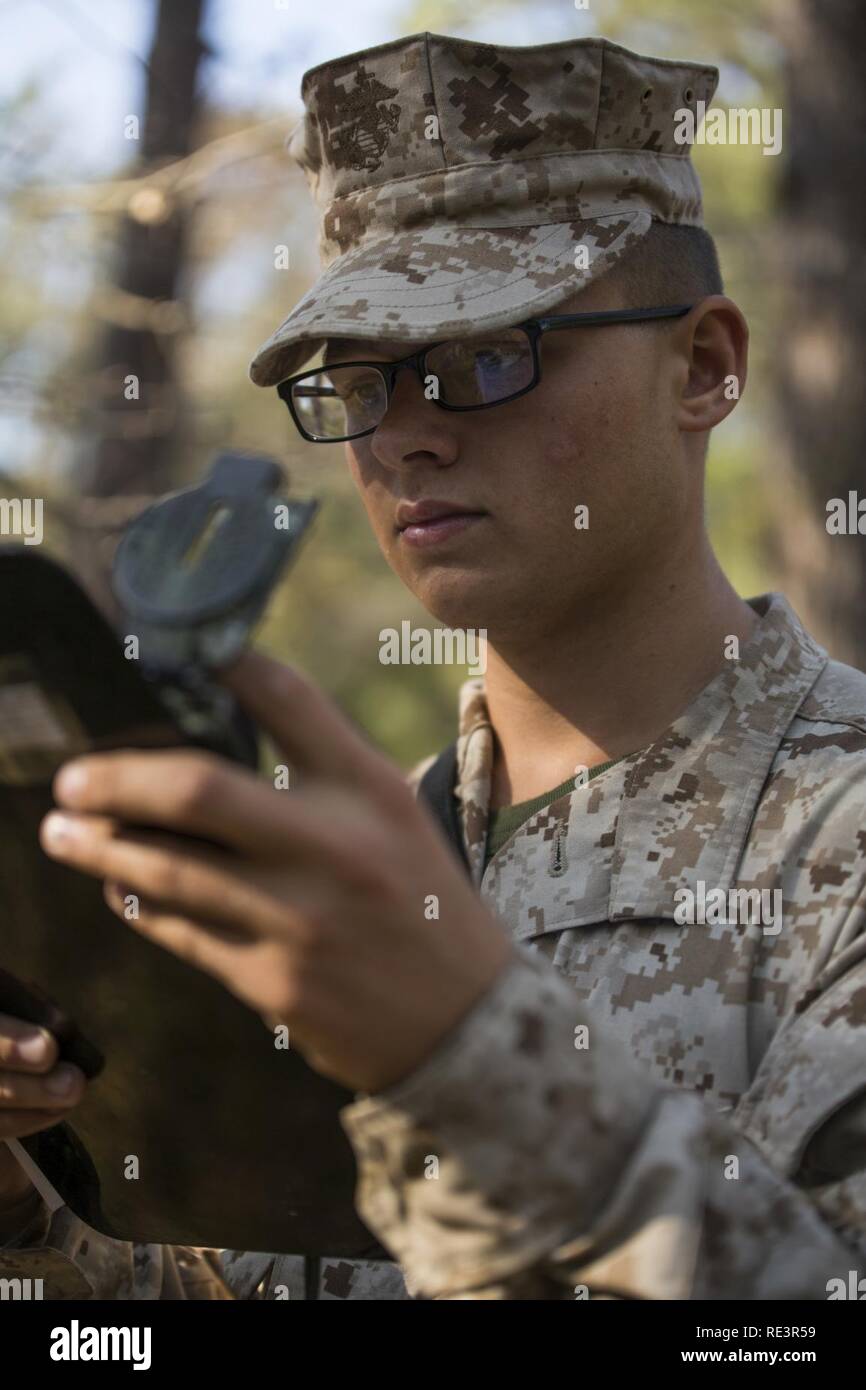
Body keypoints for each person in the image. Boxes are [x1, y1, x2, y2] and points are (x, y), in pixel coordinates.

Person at [2, 31, 865, 1301]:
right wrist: (24, 1214)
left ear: (703, 365)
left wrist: (457, 1055)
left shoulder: (833, 844)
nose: (405, 436)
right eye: (357, 378)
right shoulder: (362, 861)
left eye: (481, 360)